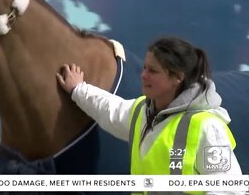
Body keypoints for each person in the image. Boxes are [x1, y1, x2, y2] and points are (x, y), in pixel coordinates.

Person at [56, 37, 242, 189]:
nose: (143, 75)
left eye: (153, 71)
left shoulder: (208, 127)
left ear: (177, 77)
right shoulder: (141, 113)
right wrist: (77, 89)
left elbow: (229, 188)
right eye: (145, 67)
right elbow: (109, 109)